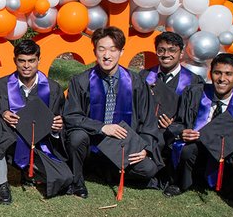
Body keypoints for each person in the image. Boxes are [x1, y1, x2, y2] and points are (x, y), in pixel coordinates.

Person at [64, 26, 161, 198]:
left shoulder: (136, 82)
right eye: (101, 49)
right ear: (94, 51)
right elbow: (72, 116)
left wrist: (145, 147)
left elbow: (148, 120)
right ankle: (78, 182)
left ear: (121, 52)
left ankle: (106, 171)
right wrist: (102, 127)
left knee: (149, 169)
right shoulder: (81, 81)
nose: (107, 55)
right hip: (91, 143)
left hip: (121, 145)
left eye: (113, 49)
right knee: (77, 137)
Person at [0, 39, 72, 204]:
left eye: (31, 61)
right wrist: (1, 113)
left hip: (39, 145)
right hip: (8, 143)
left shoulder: (53, 89)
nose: (26, 65)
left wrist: (57, 128)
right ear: (15, 61)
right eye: (22, 60)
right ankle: (1, 184)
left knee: (64, 178)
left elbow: (62, 121)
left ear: (38, 61)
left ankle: (30, 172)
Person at [165, 53, 233, 211]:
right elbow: (177, 123)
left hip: (230, 150)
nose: (222, 78)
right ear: (211, 74)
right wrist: (183, 132)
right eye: (217, 73)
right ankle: (181, 184)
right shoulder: (194, 93)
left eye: (228, 74)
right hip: (199, 146)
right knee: (186, 150)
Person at [138, 32, 205, 186]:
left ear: (181, 53)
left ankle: (160, 177)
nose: (166, 54)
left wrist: (174, 124)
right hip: (146, 127)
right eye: (161, 50)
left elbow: (196, 113)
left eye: (171, 50)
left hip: (174, 132)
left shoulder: (193, 81)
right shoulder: (144, 76)